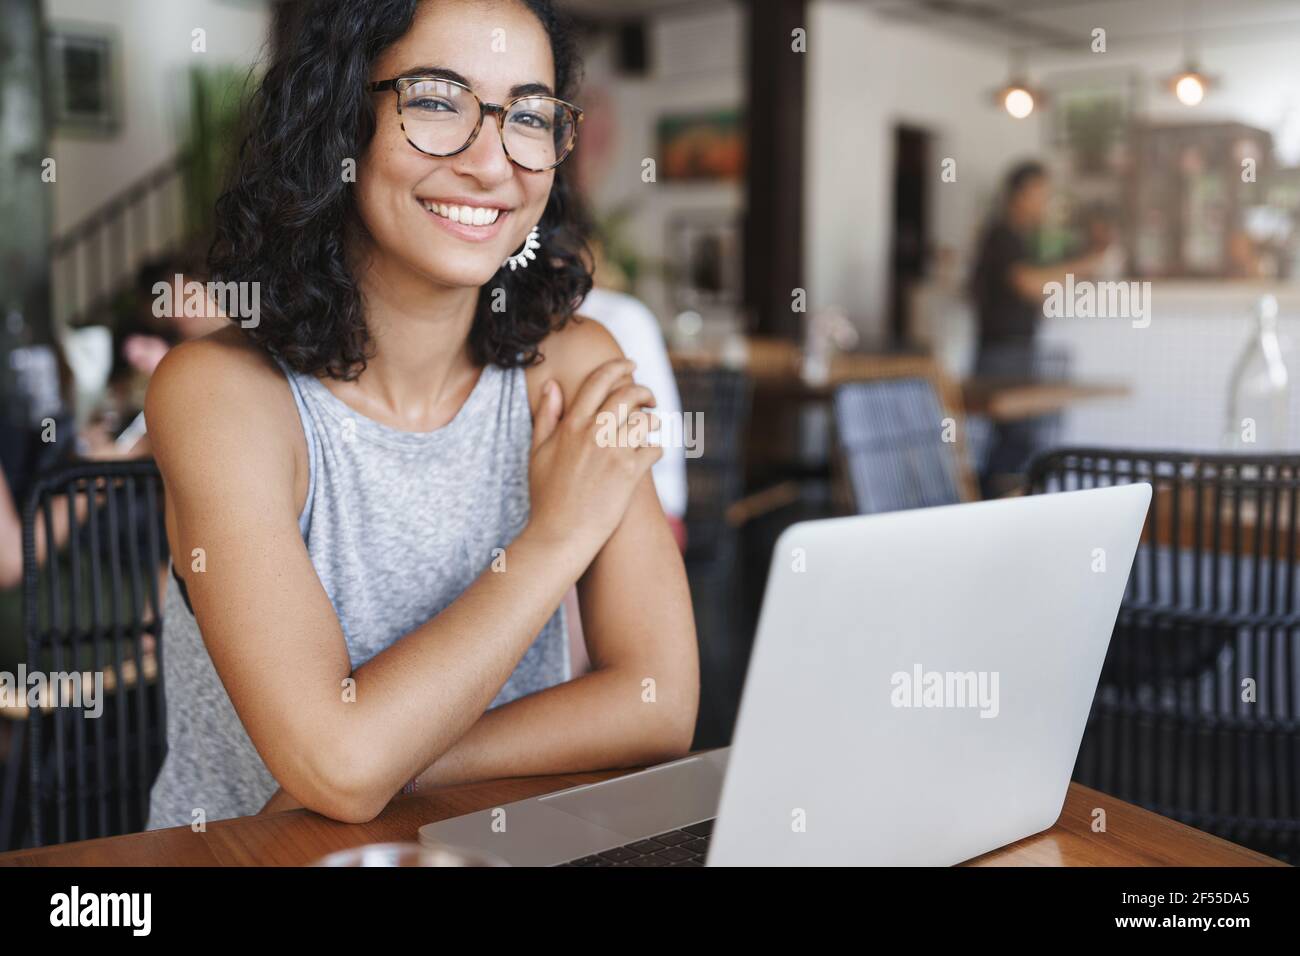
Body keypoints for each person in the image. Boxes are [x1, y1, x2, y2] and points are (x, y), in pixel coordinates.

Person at [144, 0, 698, 829]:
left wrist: (396, 759)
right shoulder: (221, 396)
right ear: (341, 120)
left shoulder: (575, 363)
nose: (492, 163)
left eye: (530, 116)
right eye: (437, 101)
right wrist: (559, 535)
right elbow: (337, 767)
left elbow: (658, 706)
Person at [968, 161, 1109, 492]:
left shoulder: (1022, 239)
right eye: (1040, 194)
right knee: (1013, 443)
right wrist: (1086, 264)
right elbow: (1029, 284)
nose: (1045, 203)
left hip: (1015, 351)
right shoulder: (1000, 234)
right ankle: (990, 509)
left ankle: (997, 509)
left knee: (1018, 442)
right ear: (1019, 195)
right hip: (1001, 355)